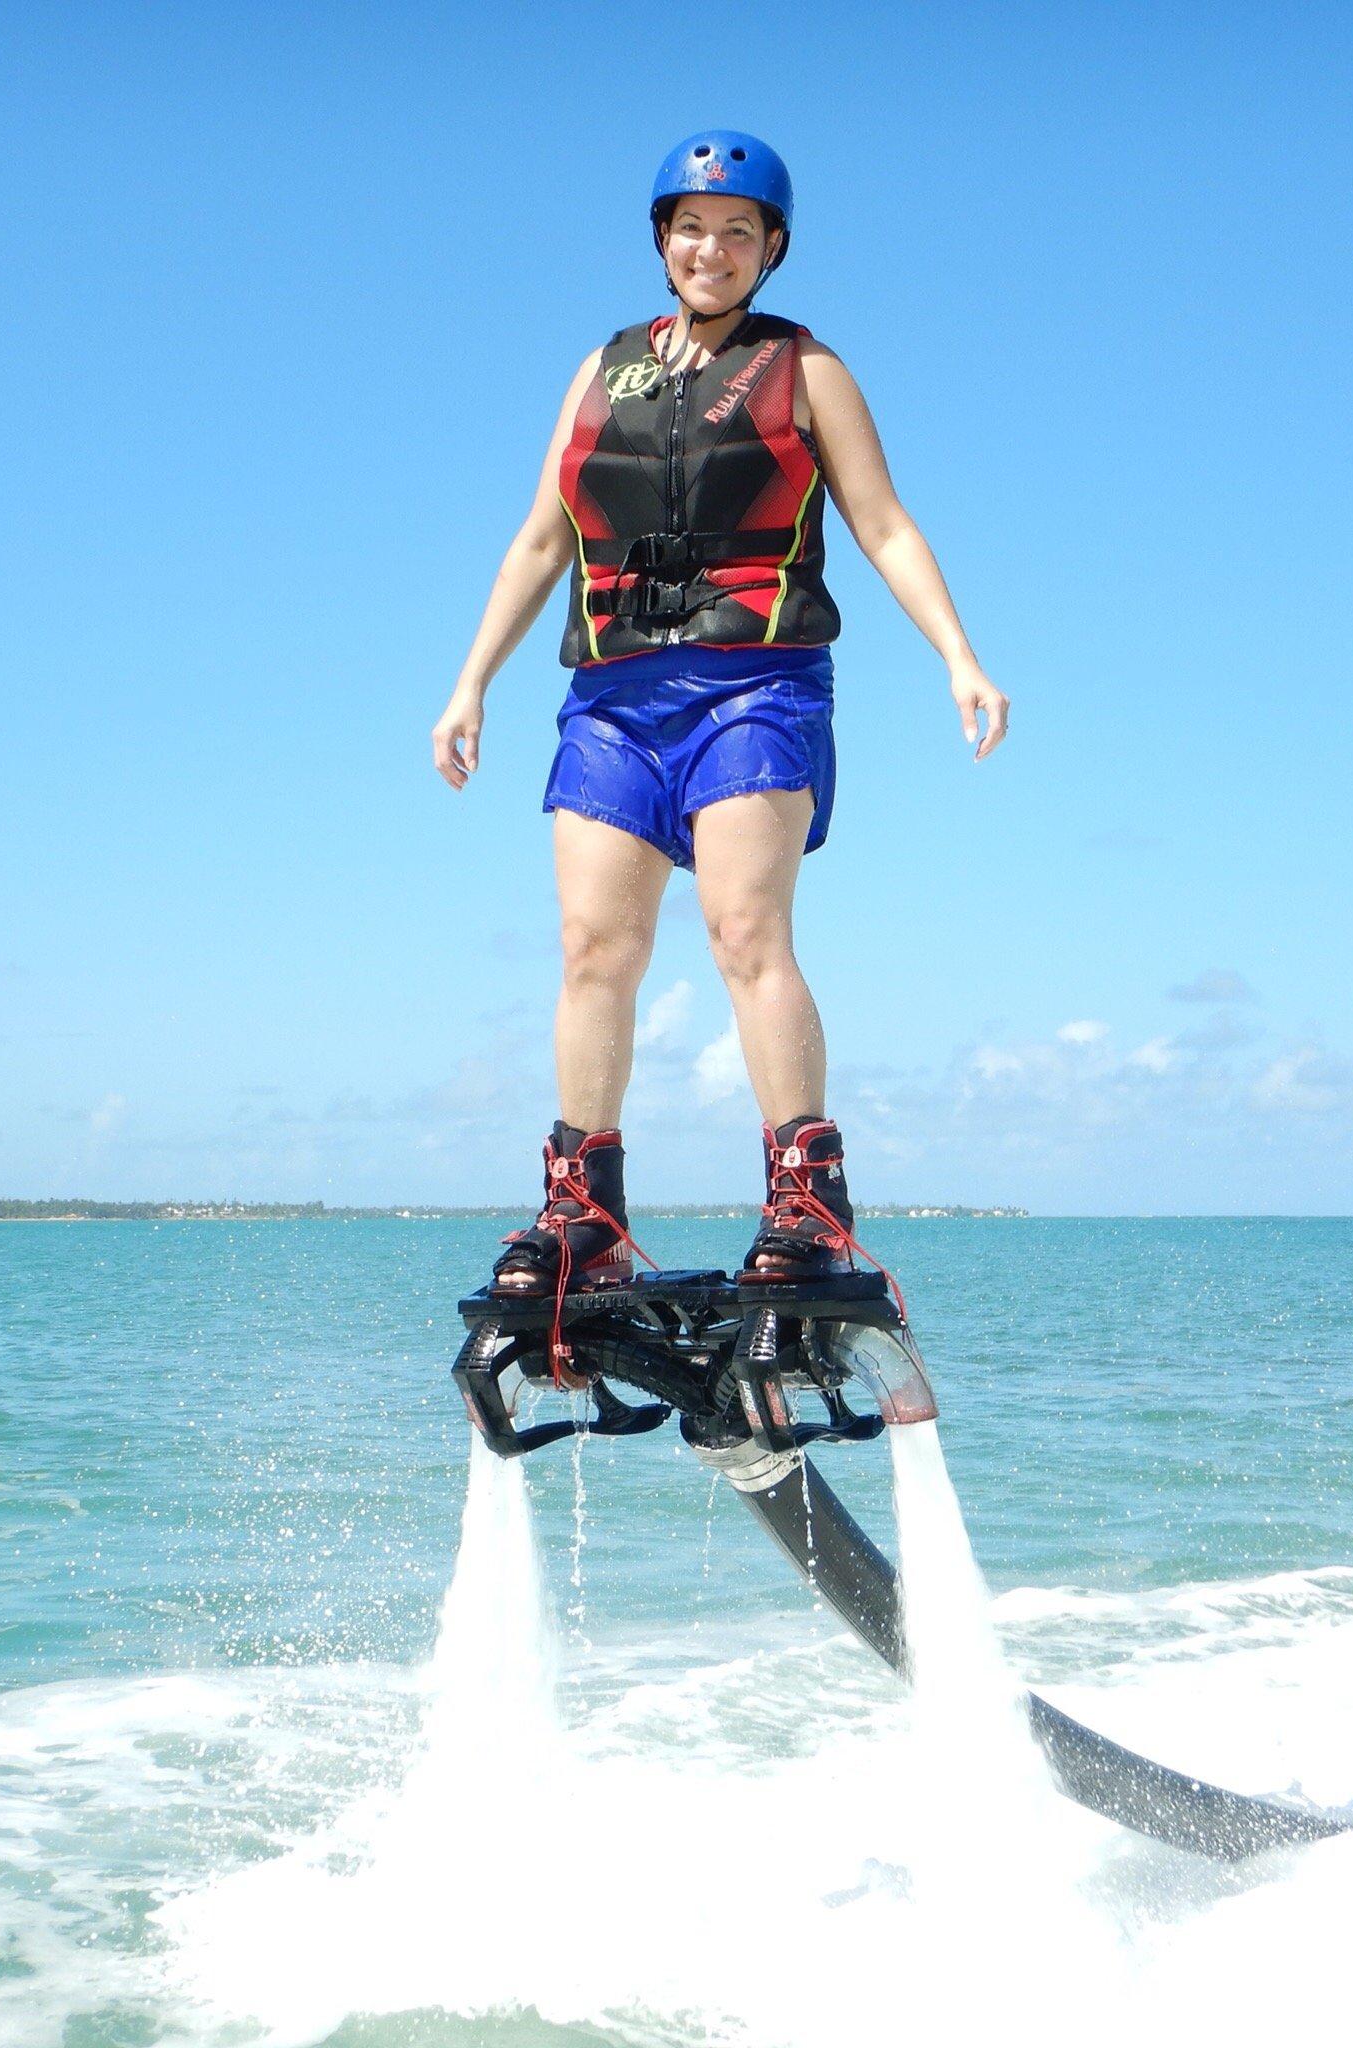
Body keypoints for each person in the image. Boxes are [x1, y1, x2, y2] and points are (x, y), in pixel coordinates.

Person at [432, 130, 1006, 1302]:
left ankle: (806, 1204)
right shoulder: (597, 373)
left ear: (770, 249)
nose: (711, 247)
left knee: (745, 935)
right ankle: (581, 1216)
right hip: (610, 695)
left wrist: (958, 656)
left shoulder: (809, 371)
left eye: (738, 230)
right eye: (691, 227)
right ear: (661, 242)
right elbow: (542, 538)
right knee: (595, 948)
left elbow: (883, 524)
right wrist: (469, 681)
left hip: (757, 680)